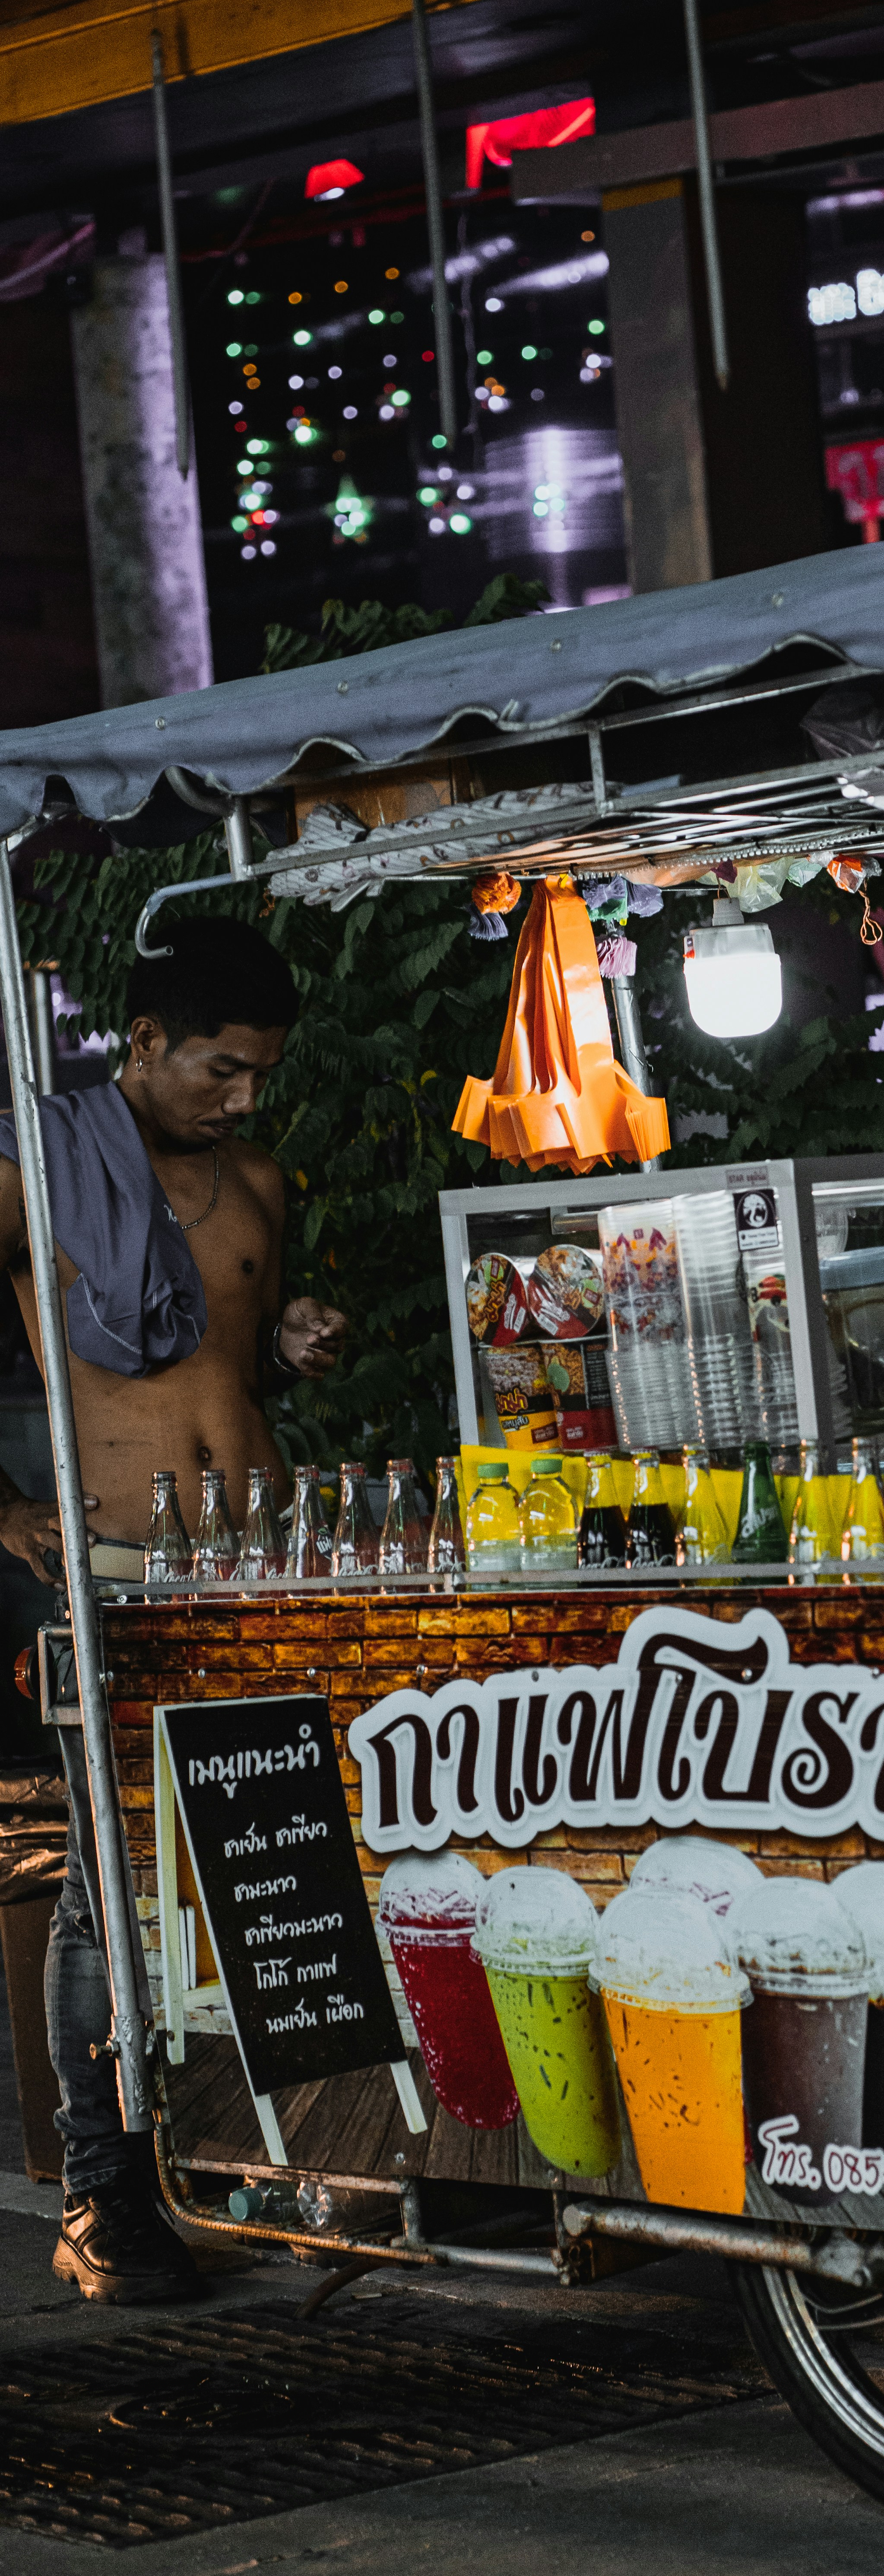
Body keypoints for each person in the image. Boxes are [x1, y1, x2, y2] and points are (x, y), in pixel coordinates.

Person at [0, 916, 347, 2303]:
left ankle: (283, 2155)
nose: (242, 1097)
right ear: (142, 1044)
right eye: (219, 1068)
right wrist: (3, 1511)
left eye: (260, 1073)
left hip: (261, 1564)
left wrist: (309, 1338)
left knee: (287, 1861)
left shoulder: (259, 1180)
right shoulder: (39, 1168)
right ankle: (105, 2195)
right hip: (123, 1572)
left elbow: (248, 1361)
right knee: (112, 1886)